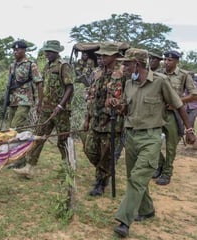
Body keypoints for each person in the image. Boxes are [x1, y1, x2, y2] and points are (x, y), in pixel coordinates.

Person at [110, 48, 195, 238]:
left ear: (137, 64)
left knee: (137, 178)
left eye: (126, 63)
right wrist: (118, 105)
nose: (123, 67)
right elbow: (126, 108)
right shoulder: (129, 84)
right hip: (130, 136)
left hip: (150, 138)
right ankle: (147, 209)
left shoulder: (160, 81)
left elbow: (179, 105)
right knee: (135, 176)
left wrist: (189, 130)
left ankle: (124, 220)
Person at [13, 40, 73, 178]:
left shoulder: (63, 66)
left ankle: (67, 169)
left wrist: (60, 106)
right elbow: (43, 87)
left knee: (63, 139)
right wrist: (40, 104)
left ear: (56, 52)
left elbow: (70, 87)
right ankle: (29, 167)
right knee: (38, 137)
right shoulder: (47, 67)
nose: (47, 54)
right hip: (46, 109)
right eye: (46, 51)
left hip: (61, 111)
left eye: (50, 51)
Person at [83, 42, 125, 196]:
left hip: (111, 122)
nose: (101, 57)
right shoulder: (97, 73)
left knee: (106, 154)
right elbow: (91, 97)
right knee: (89, 150)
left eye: (105, 55)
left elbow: (125, 98)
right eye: (100, 55)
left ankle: (101, 182)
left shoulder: (121, 74)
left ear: (115, 56)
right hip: (95, 119)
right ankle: (105, 172)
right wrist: (87, 119)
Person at [153, 50, 197, 185]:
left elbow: (194, 95)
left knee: (171, 147)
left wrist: (178, 101)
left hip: (175, 114)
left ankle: (167, 173)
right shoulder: (158, 73)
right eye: (165, 59)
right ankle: (159, 165)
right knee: (152, 141)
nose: (166, 62)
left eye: (170, 60)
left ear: (177, 61)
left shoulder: (184, 75)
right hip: (158, 112)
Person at [7, 40, 43, 129]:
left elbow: (39, 83)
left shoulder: (31, 64)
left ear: (24, 50)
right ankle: (21, 140)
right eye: (14, 50)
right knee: (10, 128)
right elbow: (10, 83)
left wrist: (40, 103)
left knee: (16, 126)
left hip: (25, 100)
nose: (15, 52)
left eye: (17, 50)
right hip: (13, 100)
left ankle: (20, 141)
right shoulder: (12, 65)